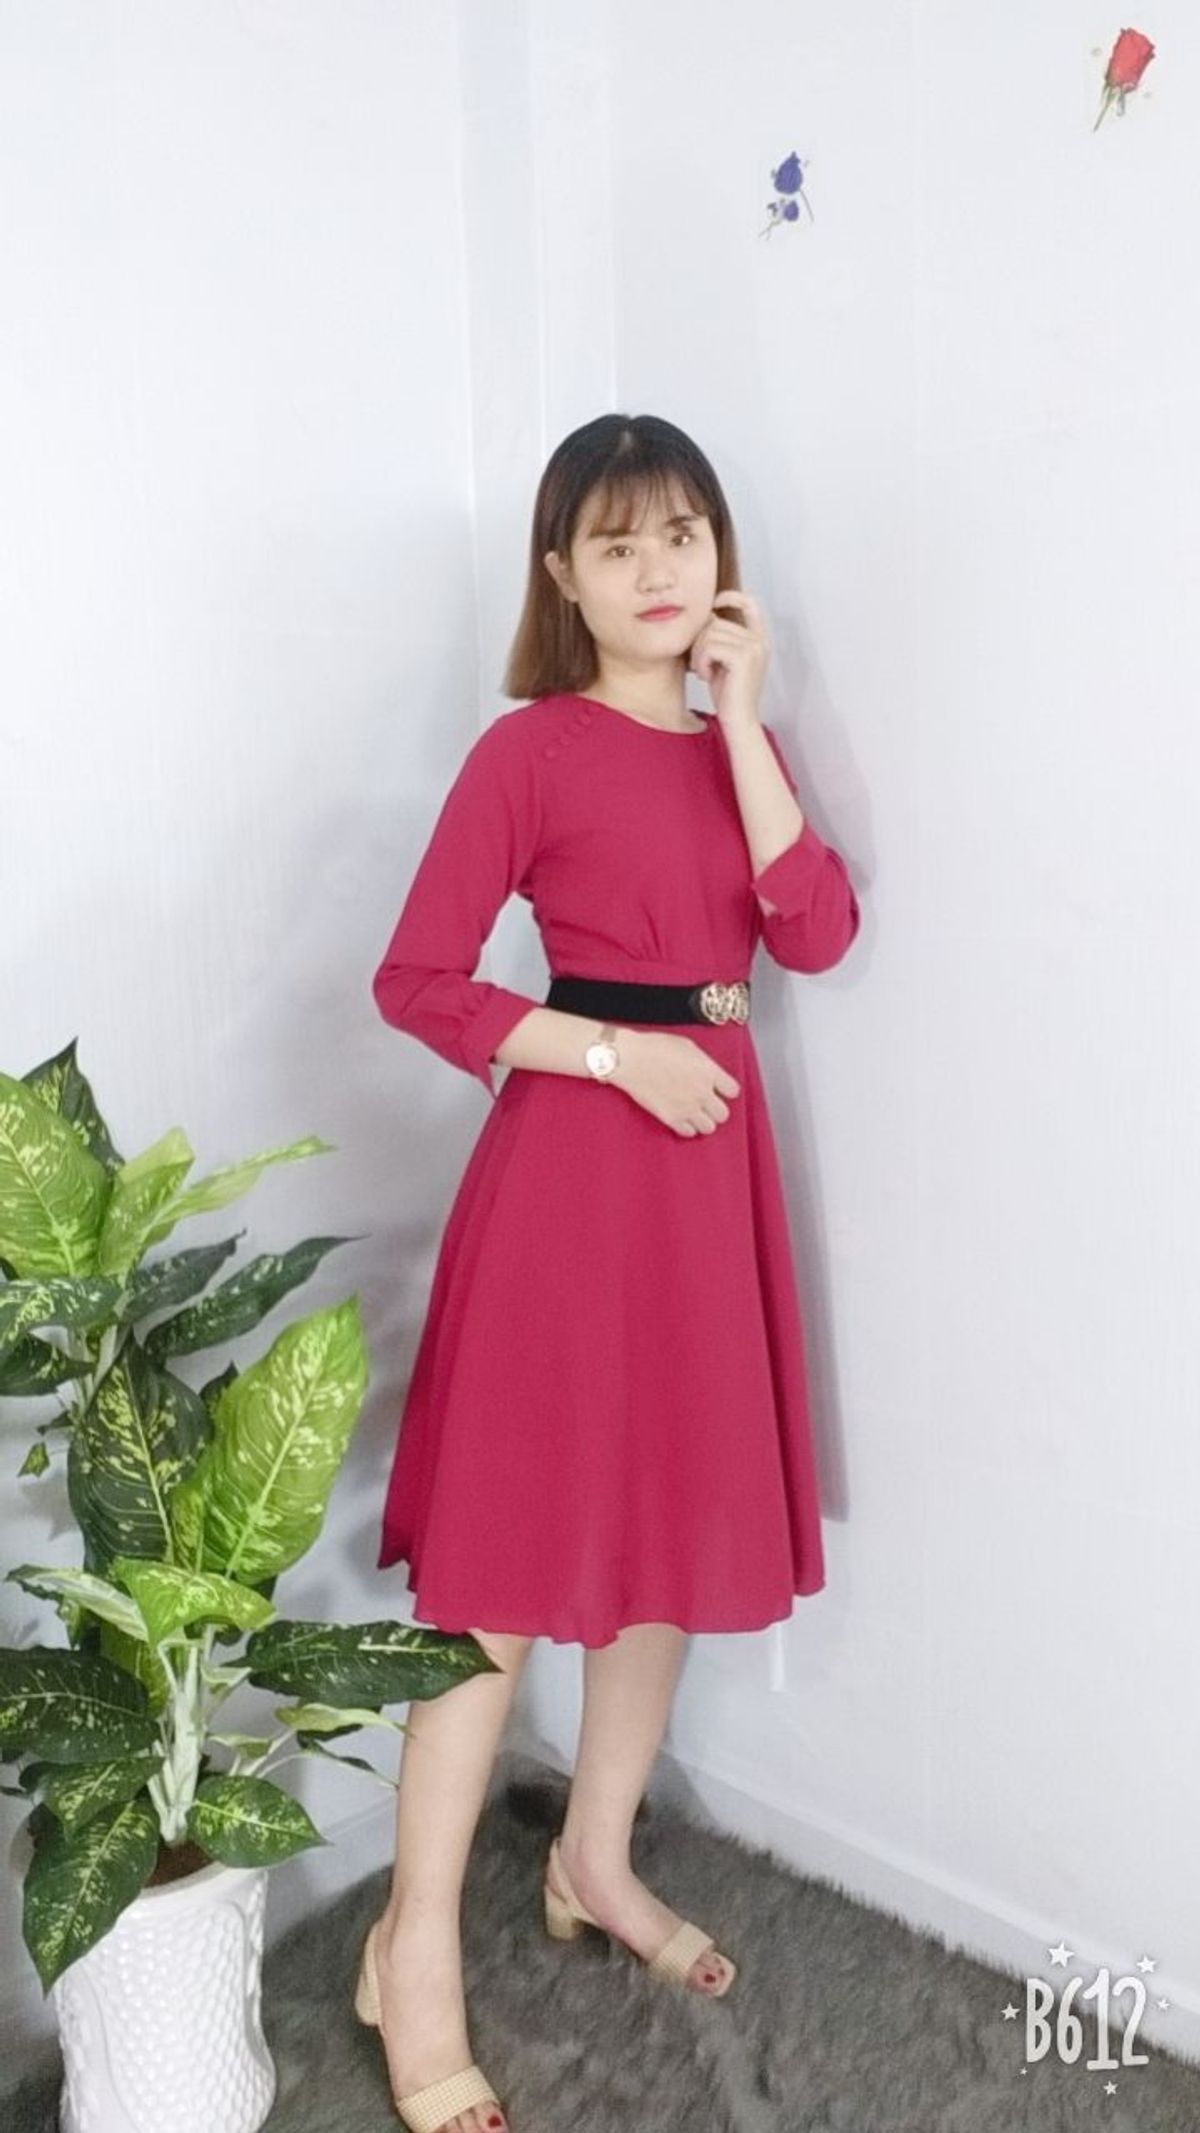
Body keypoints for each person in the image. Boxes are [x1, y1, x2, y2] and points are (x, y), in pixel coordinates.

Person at [362, 412, 862, 2132]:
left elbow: (813, 931)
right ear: (561, 575)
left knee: (662, 1535)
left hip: (705, 1186)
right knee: (501, 1569)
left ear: (721, 559)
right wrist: (608, 1053)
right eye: (618, 542)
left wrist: (744, 716)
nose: (657, 569)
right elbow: (419, 978)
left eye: (683, 535)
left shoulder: (738, 744)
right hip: (573, 1177)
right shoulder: (529, 752)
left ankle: (592, 1854)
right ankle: (414, 1946)